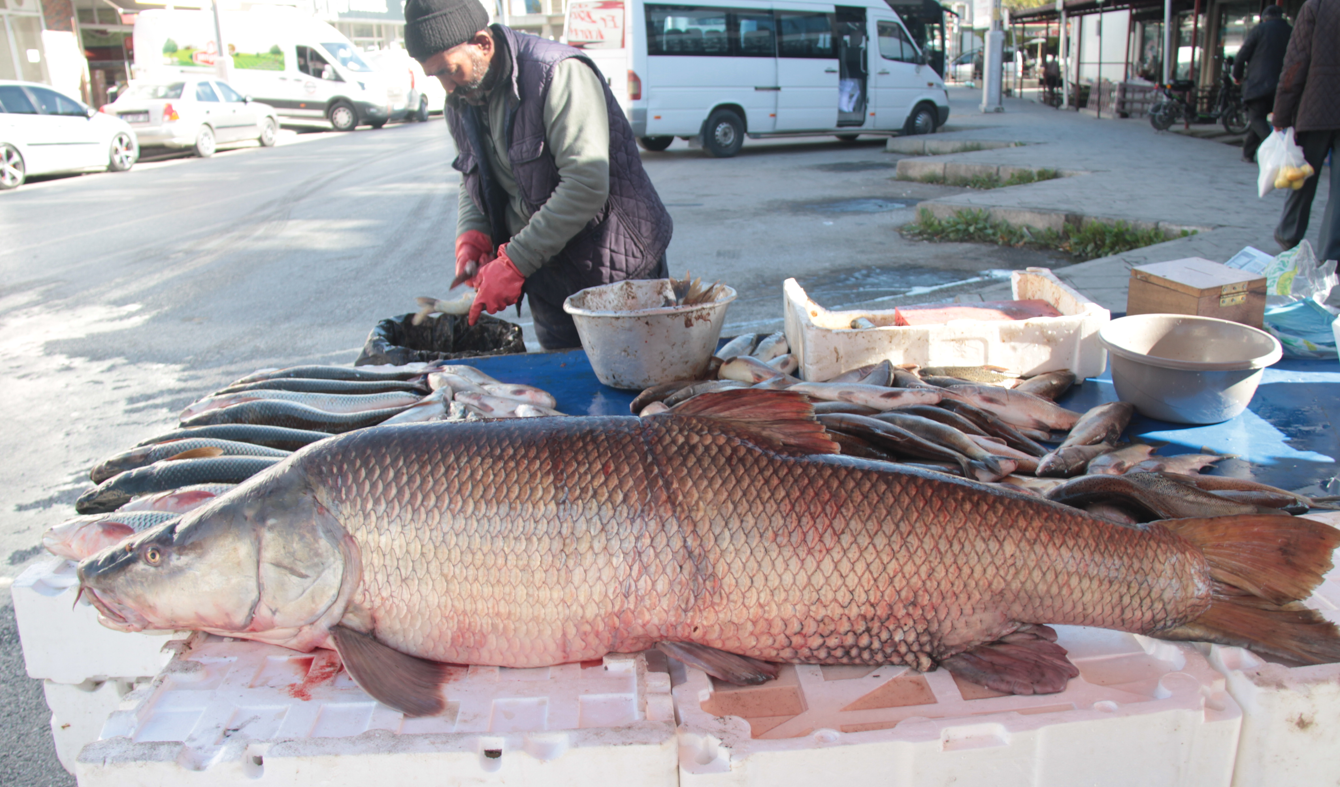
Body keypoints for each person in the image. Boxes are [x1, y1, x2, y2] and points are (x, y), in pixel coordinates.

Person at [403, 0, 673, 350]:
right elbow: (471, 173)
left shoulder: (558, 73)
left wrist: (514, 262)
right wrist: (471, 235)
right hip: (547, 279)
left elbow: (586, 185)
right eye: (435, 75)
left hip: (616, 276)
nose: (447, 87)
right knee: (568, 391)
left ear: (483, 43)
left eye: (450, 70)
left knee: (638, 389)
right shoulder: (460, 101)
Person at [1272, 0, 1339, 262]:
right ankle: (1331, 256)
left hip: (1315, 108)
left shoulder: (1316, 5)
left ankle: (1289, 236)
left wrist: (1282, 112)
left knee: (1302, 177)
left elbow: (1295, 63)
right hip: (1319, 109)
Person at [1233, 4, 1292, 162]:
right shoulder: (1291, 31)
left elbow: (1242, 56)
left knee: (1257, 117)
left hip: (1258, 84)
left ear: (1265, 18)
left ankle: (1276, 147)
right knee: (1258, 119)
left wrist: (1236, 76)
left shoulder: (1259, 30)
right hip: (1283, 85)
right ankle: (1248, 153)